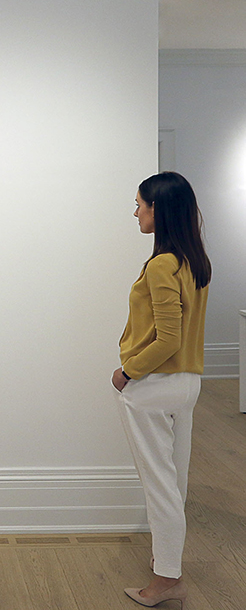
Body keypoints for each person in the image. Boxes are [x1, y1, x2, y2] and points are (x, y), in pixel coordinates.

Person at [112, 171, 211, 609]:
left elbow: (167, 338)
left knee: (160, 487)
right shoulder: (194, 261)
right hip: (187, 384)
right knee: (176, 481)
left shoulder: (160, 264)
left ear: (159, 209)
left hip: (154, 386)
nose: (135, 211)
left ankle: (166, 580)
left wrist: (128, 372)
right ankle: (168, 568)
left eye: (139, 204)